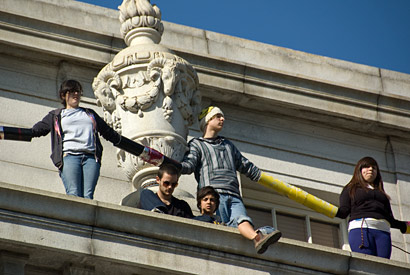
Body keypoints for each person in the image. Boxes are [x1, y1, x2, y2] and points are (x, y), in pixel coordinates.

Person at [181, 106, 282, 254]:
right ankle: (259, 234)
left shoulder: (228, 145)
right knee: (220, 227)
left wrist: (268, 180)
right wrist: (174, 166)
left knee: (242, 218)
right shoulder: (197, 144)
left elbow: (245, 165)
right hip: (214, 195)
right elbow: (188, 165)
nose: (222, 119)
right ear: (208, 120)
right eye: (218, 116)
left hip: (234, 195)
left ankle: (258, 237)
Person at [31, 79, 122, 199]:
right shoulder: (56, 116)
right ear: (63, 95)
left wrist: (129, 145)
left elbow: (108, 133)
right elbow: (36, 130)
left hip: (90, 158)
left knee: (88, 196)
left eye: (78, 91)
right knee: (74, 194)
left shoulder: (90, 114)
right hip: (69, 157)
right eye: (72, 91)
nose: (76, 94)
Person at [336, 156, 408, 259]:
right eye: (367, 166)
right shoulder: (350, 189)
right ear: (359, 170)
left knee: (383, 265)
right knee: (367, 263)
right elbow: (343, 211)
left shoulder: (382, 194)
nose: (371, 169)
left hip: (383, 232)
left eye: (374, 168)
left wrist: (405, 226)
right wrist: (322, 207)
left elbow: (390, 220)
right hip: (361, 230)